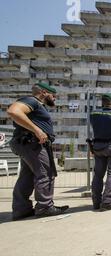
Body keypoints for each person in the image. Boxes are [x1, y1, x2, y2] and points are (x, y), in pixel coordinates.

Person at [7, 83, 69, 220]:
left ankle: (21, 209)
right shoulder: (32, 101)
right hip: (33, 144)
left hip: (28, 143)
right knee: (45, 174)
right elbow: (13, 111)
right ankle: (45, 207)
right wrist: (37, 130)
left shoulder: (36, 105)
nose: (55, 98)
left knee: (27, 176)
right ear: (44, 92)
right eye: (53, 95)